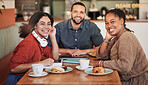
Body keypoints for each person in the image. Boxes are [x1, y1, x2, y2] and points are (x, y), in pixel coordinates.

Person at [91, 9, 148, 85]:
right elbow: (101, 55)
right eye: (106, 23)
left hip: (135, 81)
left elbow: (124, 66)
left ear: (121, 21)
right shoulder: (116, 38)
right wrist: (107, 39)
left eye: (112, 22)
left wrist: (99, 63)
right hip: (123, 79)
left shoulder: (126, 37)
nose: (109, 26)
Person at [5, 12, 59, 85]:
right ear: (35, 26)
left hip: (29, 78)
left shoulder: (40, 41)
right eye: (42, 23)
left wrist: (53, 37)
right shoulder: (29, 43)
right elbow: (13, 68)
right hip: (18, 80)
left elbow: (55, 57)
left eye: (49, 24)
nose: (46, 27)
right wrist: (41, 63)